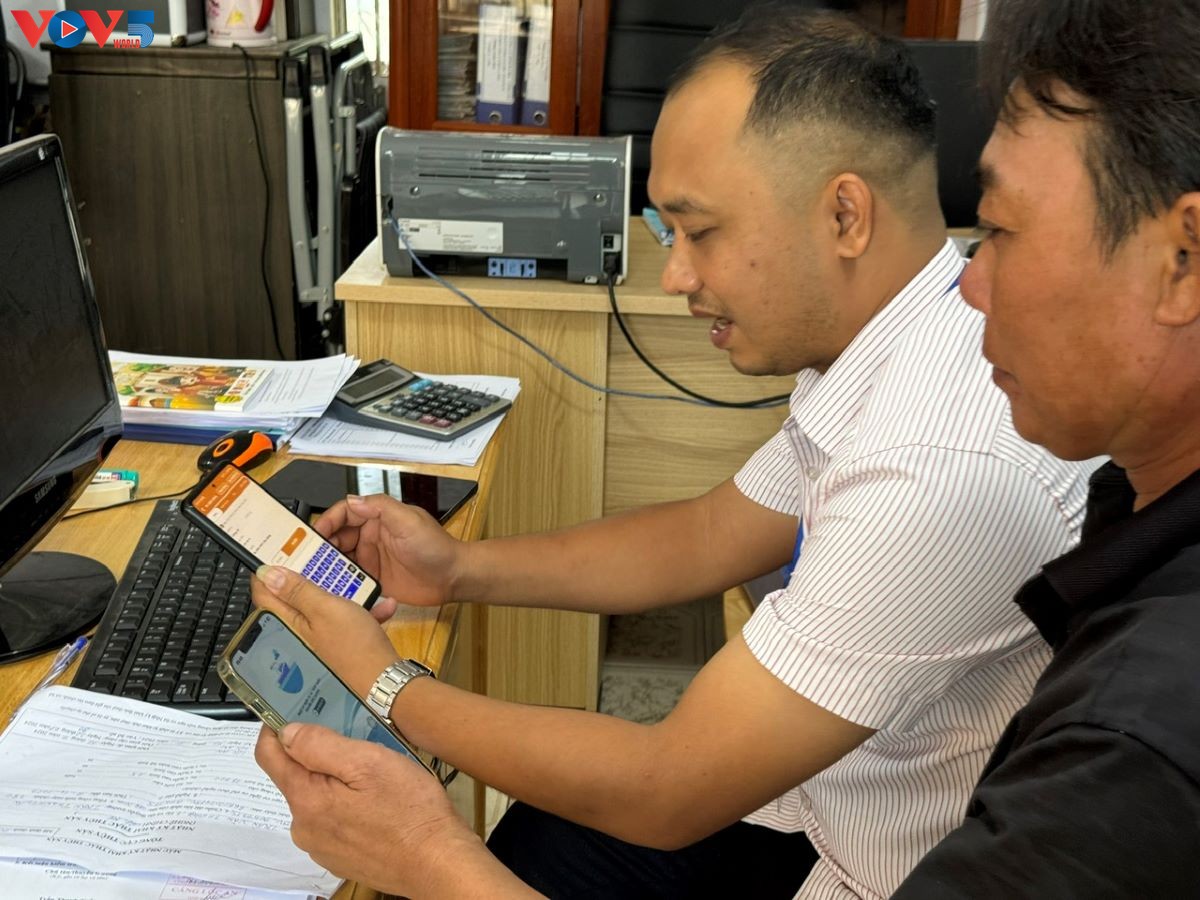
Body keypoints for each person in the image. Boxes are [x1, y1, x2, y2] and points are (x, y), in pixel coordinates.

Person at [253, 7, 1094, 898]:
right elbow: (708, 534)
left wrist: (386, 684)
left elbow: (666, 789)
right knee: (544, 824)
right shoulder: (900, 341)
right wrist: (458, 569)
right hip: (820, 799)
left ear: (845, 214)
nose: (678, 276)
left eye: (701, 231)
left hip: (864, 867)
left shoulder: (938, 463)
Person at [891, 0, 1200, 895]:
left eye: (999, 229)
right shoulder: (1135, 499)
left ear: (1184, 260)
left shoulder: (1134, 747)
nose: (972, 286)